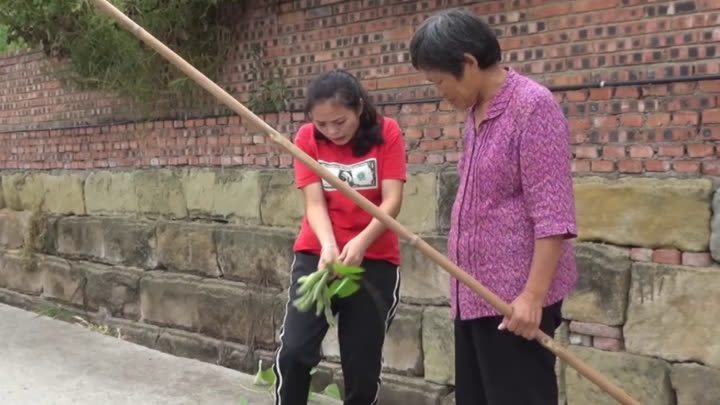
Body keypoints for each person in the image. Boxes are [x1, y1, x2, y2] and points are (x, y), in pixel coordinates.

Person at [409, 9, 578, 405]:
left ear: (468, 63)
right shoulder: (476, 112)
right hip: (472, 293)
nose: (440, 92)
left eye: (440, 81)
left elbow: (554, 214)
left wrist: (532, 298)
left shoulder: (532, 106)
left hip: (513, 304)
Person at [273, 70, 407, 405]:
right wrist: (330, 245)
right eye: (322, 125)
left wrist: (360, 242)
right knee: (294, 352)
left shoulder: (386, 133)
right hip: (318, 254)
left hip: (373, 259)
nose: (331, 132)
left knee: (361, 369)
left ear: (359, 108)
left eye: (339, 122)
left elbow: (392, 201)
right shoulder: (307, 138)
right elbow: (314, 202)